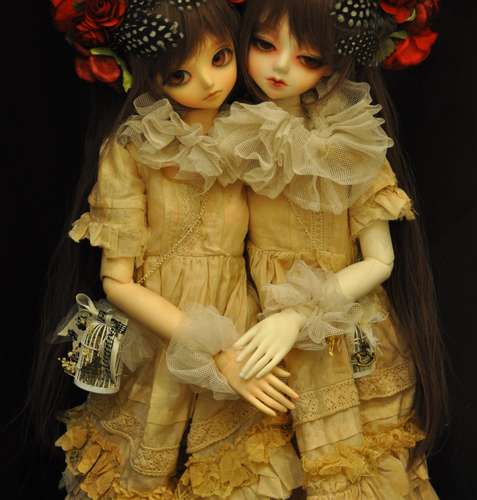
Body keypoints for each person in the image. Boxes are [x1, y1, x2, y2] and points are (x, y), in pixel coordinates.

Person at [33, 0, 302, 498]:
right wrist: (215, 352)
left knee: (240, 473)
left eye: (220, 58)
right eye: (180, 74)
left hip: (239, 321)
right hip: (160, 332)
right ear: (147, 75)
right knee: (144, 470)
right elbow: (117, 281)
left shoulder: (255, 136)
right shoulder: (133, 148)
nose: (209, 83)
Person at [207, 0, 448, 497]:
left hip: (340, 327)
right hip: (254, 330)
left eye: (308, 58)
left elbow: (380, 260)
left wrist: (298, 316)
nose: (280, 67)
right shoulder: (225, 133)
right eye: (264, 44)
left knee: (355, 468)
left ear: (336, 62)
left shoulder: (349, 136)